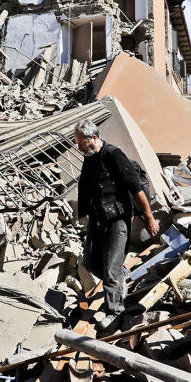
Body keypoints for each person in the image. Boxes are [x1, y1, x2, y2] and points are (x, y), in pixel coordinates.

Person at [74, 119, 159, 322]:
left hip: (118, 219)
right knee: (91, 263)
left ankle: (114, 311)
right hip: (98, 219)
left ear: (93, 138)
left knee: (110, 270)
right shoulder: (90, 157)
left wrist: (149, 217)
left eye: (80, 143)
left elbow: (135, 187)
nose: (78, 148)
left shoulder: (113, 154)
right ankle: (120, 274)